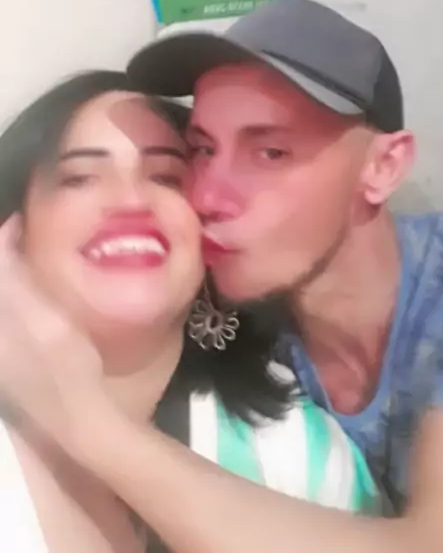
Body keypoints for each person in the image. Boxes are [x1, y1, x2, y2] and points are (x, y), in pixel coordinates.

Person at [113, 0, 443, 551]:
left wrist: (81, 422)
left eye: (271, 153)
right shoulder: (233, 311)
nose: (206, 197)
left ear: (383, 166)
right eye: (203, 151)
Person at [0, 69, 379, 553]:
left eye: (166, 177)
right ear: (13, 236)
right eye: (79, 178)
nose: (132, 199)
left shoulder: (296, 452)